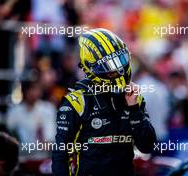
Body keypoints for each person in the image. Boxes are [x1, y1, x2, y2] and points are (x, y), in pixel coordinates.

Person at [52, 28, 157, 176]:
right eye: (110, 67)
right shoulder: (77, 101)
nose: (119, 70)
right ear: (92, 68)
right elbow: (61, 155)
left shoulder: (133, 96)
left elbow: (147, 146)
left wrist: (134, 109)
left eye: (120, 61)